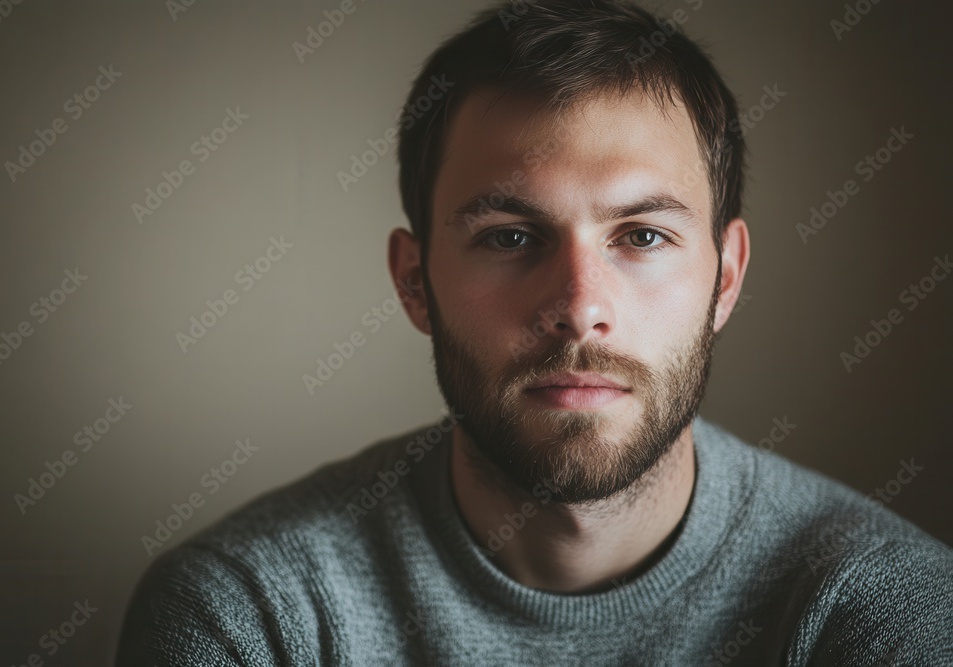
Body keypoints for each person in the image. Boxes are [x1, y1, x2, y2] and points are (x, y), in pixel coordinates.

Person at [116, 1, 953, 664]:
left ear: (725, 277)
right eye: (510, 236)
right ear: (415, 281)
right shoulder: (246, 612)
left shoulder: (881, 607)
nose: (580, 307)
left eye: (642, 235)